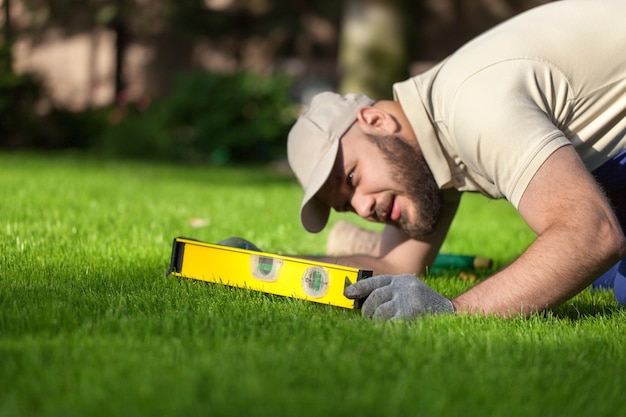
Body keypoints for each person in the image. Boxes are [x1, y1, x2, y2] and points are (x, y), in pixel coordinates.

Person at [286, 0, 626, 320]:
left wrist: (452, 308)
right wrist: (268, 267)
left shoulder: (473, 109)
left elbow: (592, 234)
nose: (362, 209)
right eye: (347, 206)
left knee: (608, 276)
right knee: (593, 274)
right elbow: (391, 265)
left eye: (351, 179)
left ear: (376, 121)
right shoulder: (425, 147)